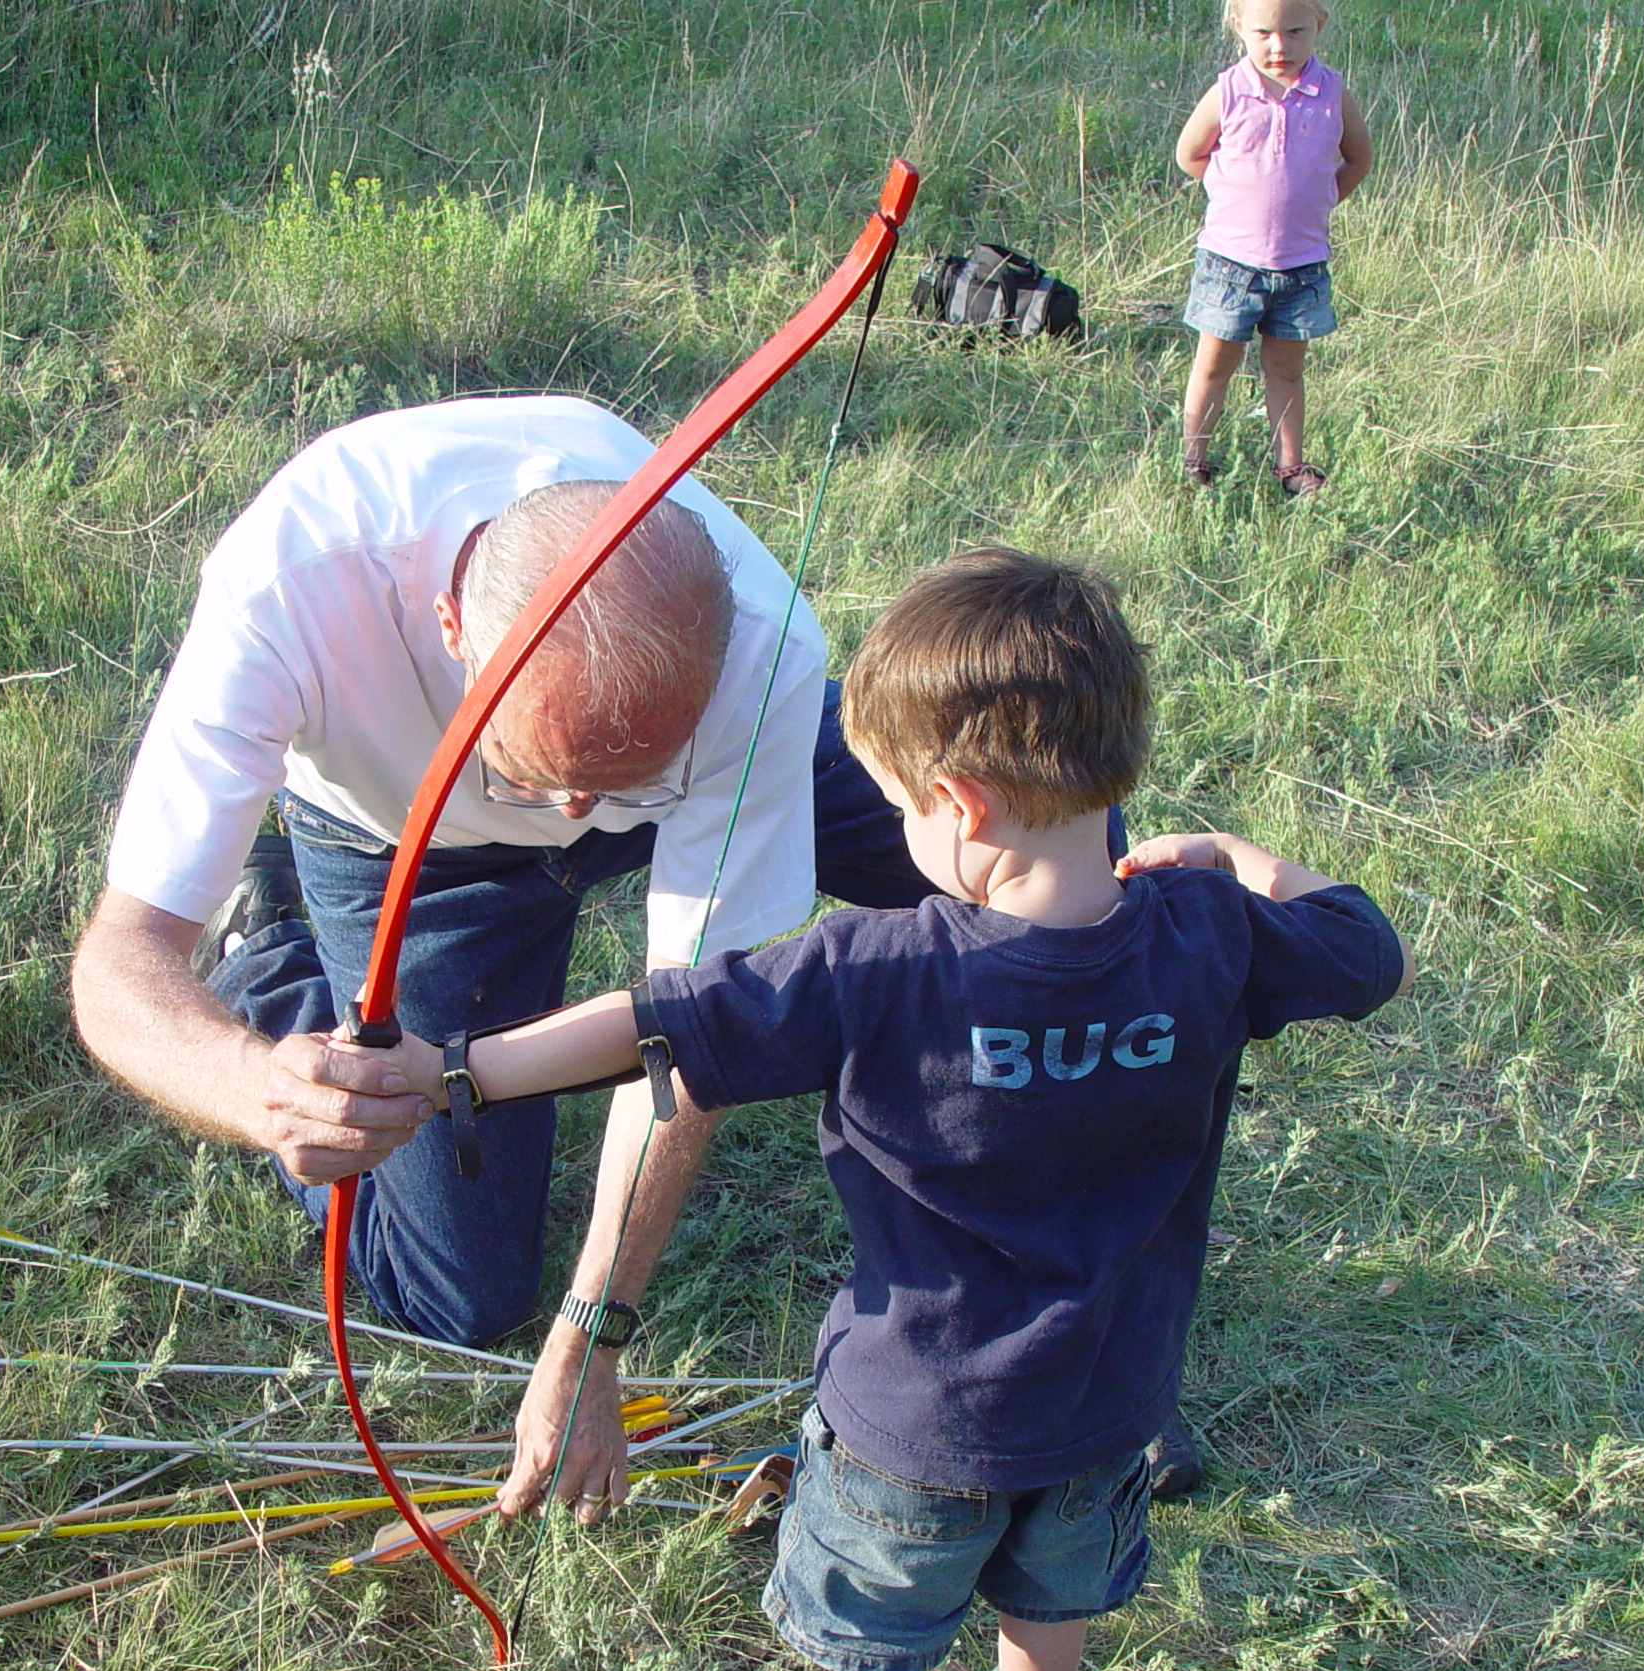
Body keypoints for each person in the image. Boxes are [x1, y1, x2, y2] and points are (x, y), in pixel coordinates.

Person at [369, 548, 1412, 1671]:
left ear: (959, 806)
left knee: (888, 1613)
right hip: (1112, 1394)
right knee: (1052, 1590)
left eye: (897, 807)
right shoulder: (1209, 930)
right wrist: (1227, 853)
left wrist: (463, 1070)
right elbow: (1366, 949)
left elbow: (656, 1025)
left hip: (914, 1414)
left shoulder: (875, 965)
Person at [70, 397, 1202, 1491]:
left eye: (619, 776)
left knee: (1056, 846)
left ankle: (1075, 1284)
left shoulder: (757, 649)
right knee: (456, 1292)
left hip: (703, 759)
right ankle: (268, 942)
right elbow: (120, 962)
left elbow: (693, 1025)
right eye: (538, 770)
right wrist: (257, 1088)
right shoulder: (291, 583)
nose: (576, 819)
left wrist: (590, 1334)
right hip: (414, 845)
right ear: (451, 626)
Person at [1173, 0, 1373, 495]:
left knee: (1286, 368)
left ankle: (1290, 467)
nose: (1279, 46)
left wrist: (1319, 203)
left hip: (1301, 266)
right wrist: (1236, 196)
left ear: (1320, 25)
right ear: (1238, 25)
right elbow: (1189, 154)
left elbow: (1359, 159)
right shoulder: (1230, 91)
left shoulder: (1332, 93)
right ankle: (1193, 460)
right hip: (1230, 264)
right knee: (1215, 364)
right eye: (1263, 32)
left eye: (1296, 31)